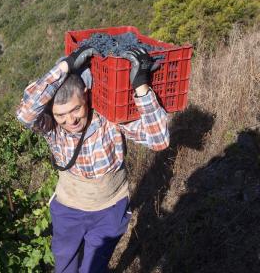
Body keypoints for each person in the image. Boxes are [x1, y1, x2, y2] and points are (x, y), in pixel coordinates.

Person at [15, 46, 170, 273]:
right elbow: (25, 113)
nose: (70, 120)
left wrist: (141, 86)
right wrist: (65, 66)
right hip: (69, 209)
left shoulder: (109, 118)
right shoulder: (52, 128)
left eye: (76, 109)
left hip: (109, 210)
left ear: (86, 94)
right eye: (61, 114)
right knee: (65, 266)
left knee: (93, 269)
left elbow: (159, 140)